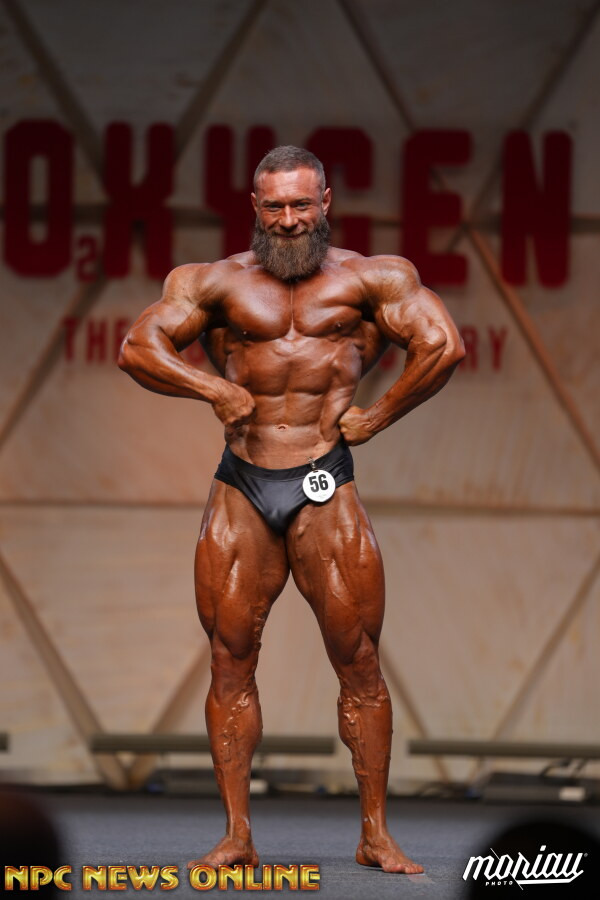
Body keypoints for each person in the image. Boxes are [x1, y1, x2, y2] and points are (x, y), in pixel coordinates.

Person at [118, 146, 465, 874]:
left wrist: (379, 415)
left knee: (359, 660)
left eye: (301, 204)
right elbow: (137, 347)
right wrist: (211, 388)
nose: (288, 219)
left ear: (325, 202)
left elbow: (442, 345)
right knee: (229, 659)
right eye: (274, 206)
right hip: (241, 483)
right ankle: (237, 835)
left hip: (324, 482)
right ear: (254, 206)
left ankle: (375, 834)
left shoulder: (373, 278)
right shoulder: (211, 282)